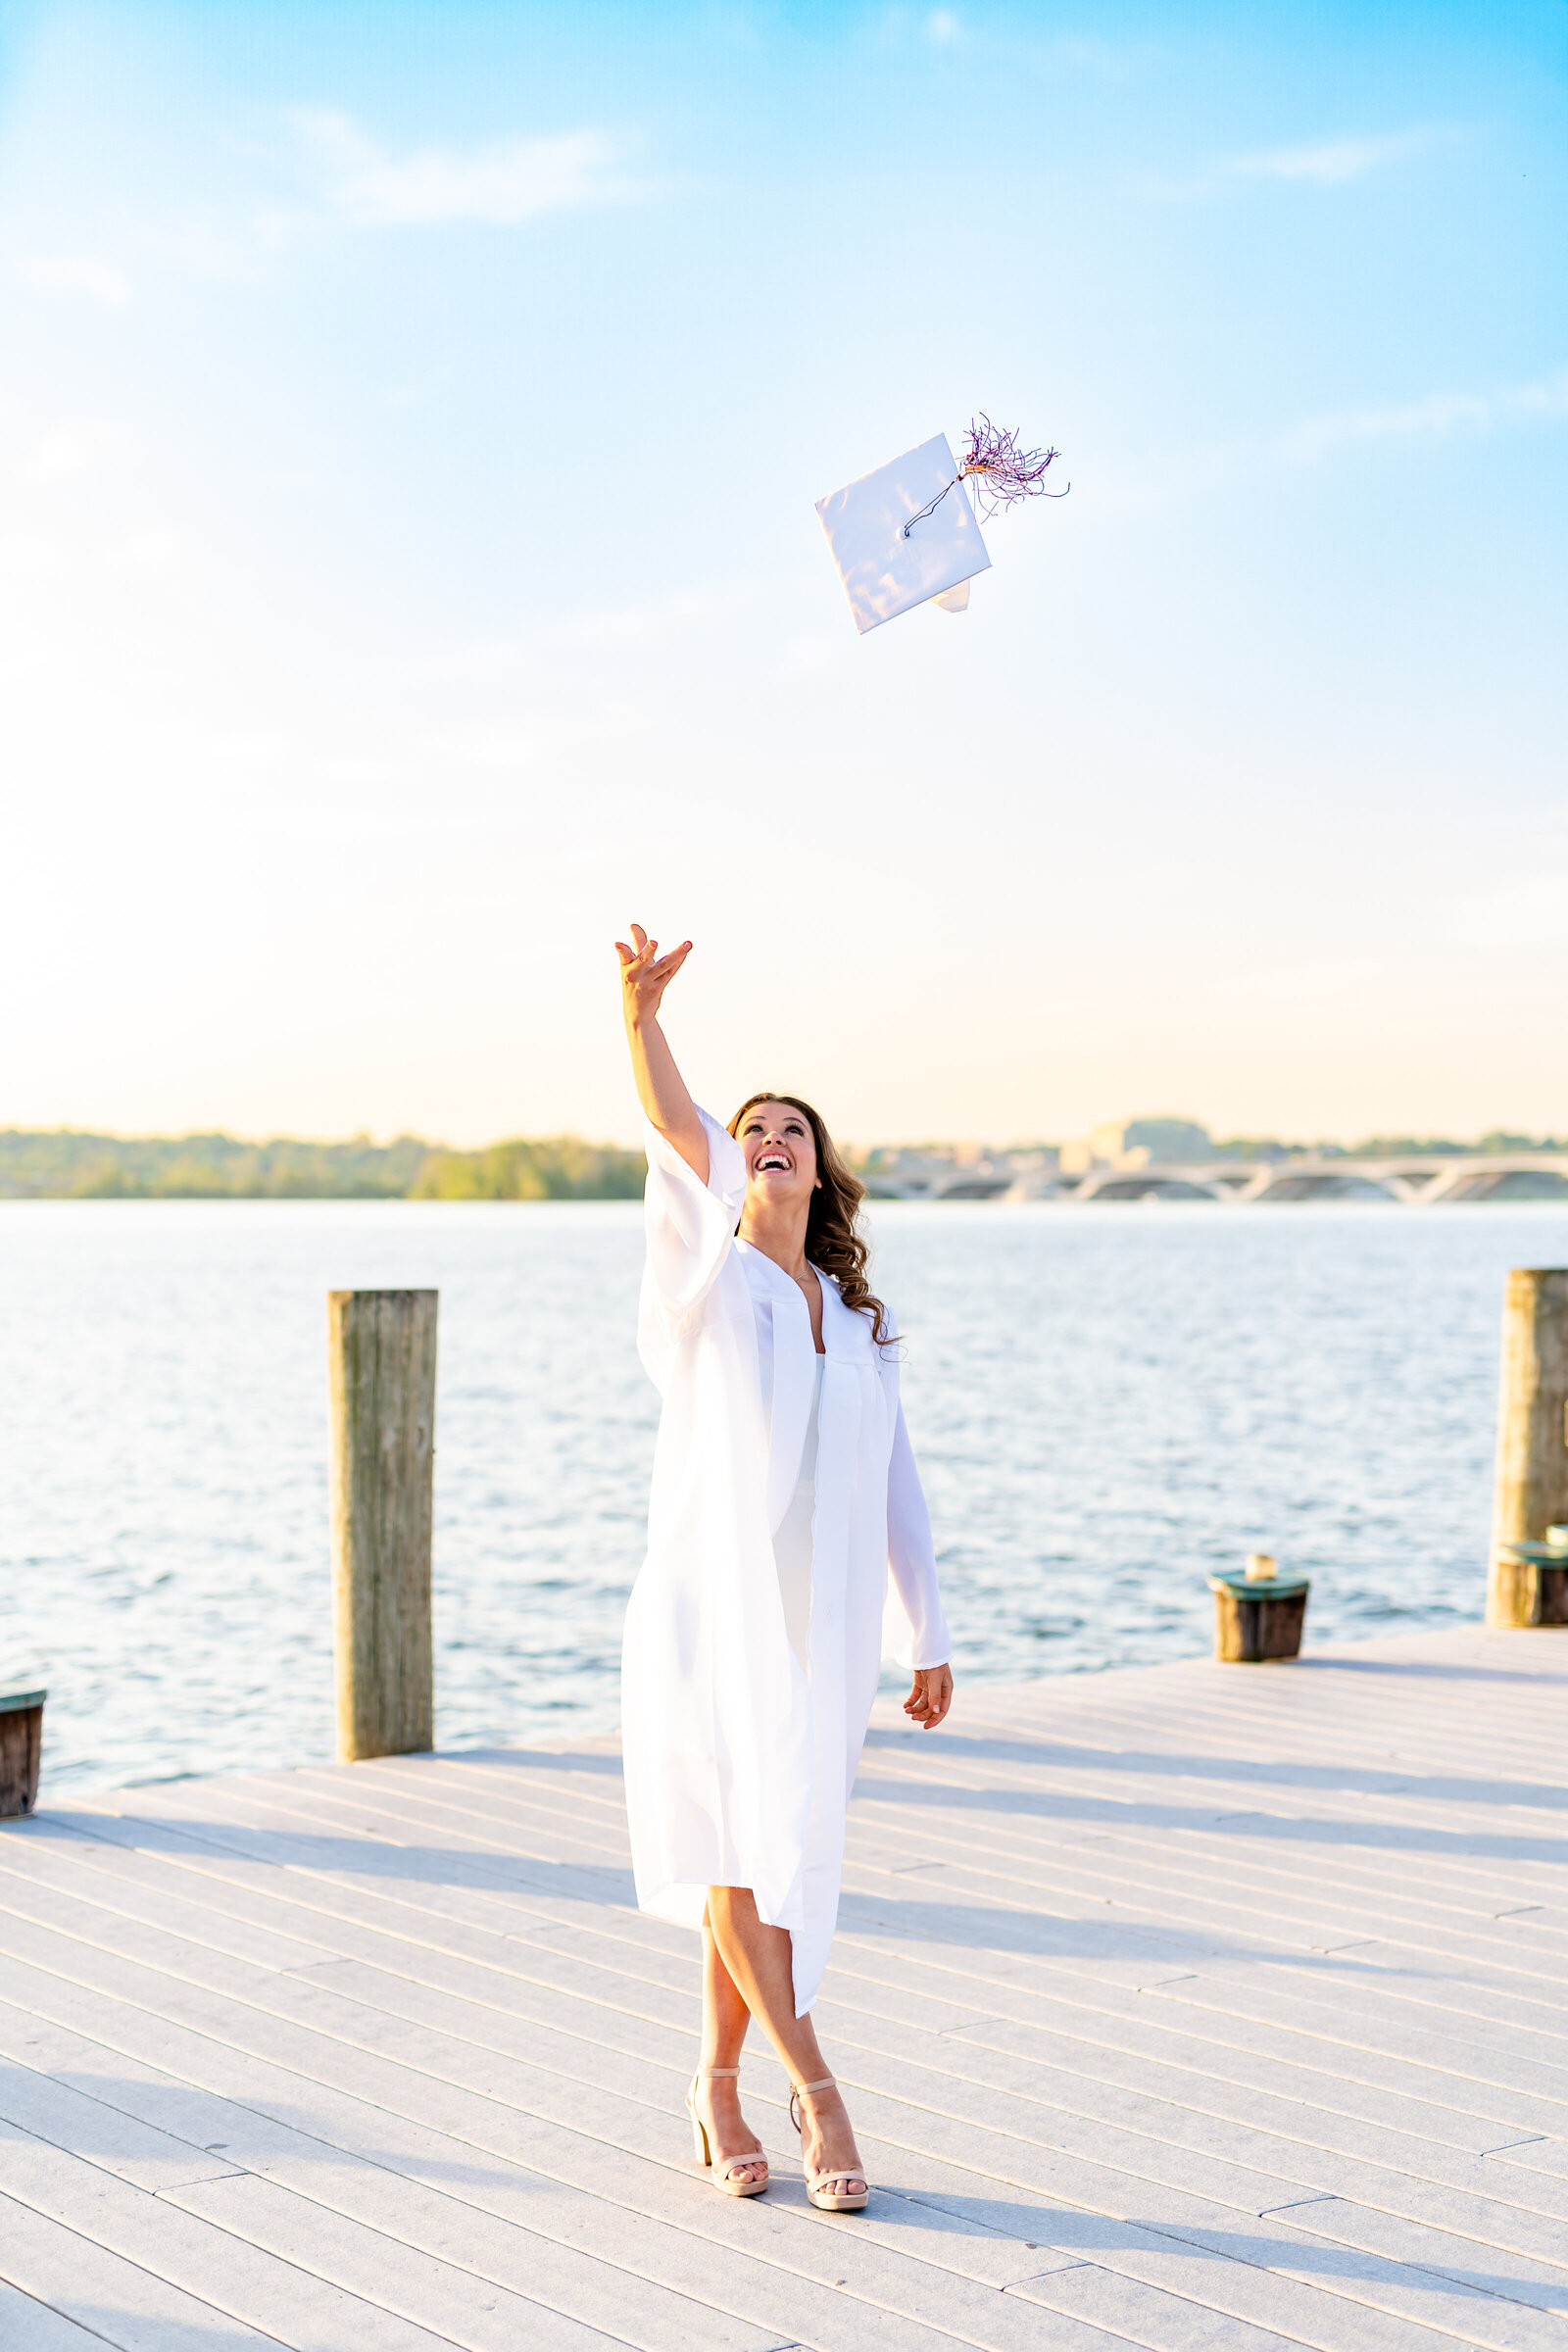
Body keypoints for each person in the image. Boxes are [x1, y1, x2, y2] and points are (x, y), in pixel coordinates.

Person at [615, 922, 954, 2214]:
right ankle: (817, 2087)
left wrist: (926, 1630)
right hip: (713, 1609)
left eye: (792, 1130)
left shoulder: (858, 1327)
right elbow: (670, 1124)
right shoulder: (713, 1284)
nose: (769, 1139)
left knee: (766, 1851)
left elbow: (899, 1493)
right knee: (733, 1845)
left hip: (819, 1633)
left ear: (821, 1170)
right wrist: (641, 1018)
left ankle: (711, 2084)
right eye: (751, 1130)